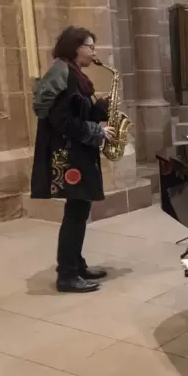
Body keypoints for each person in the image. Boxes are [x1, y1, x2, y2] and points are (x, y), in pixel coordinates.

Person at [30, 26, 116, 293]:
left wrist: (99, 107)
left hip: (77, 153)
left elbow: (77, 110)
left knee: (78, 211)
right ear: (75, 48)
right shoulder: (63, 74)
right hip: (68, 157)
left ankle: (76, 265)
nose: (94, 52)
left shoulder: (73, 74)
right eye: (90, 47)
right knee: (76, 213)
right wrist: (97, 130)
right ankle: (66, 275)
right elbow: (62, 120)